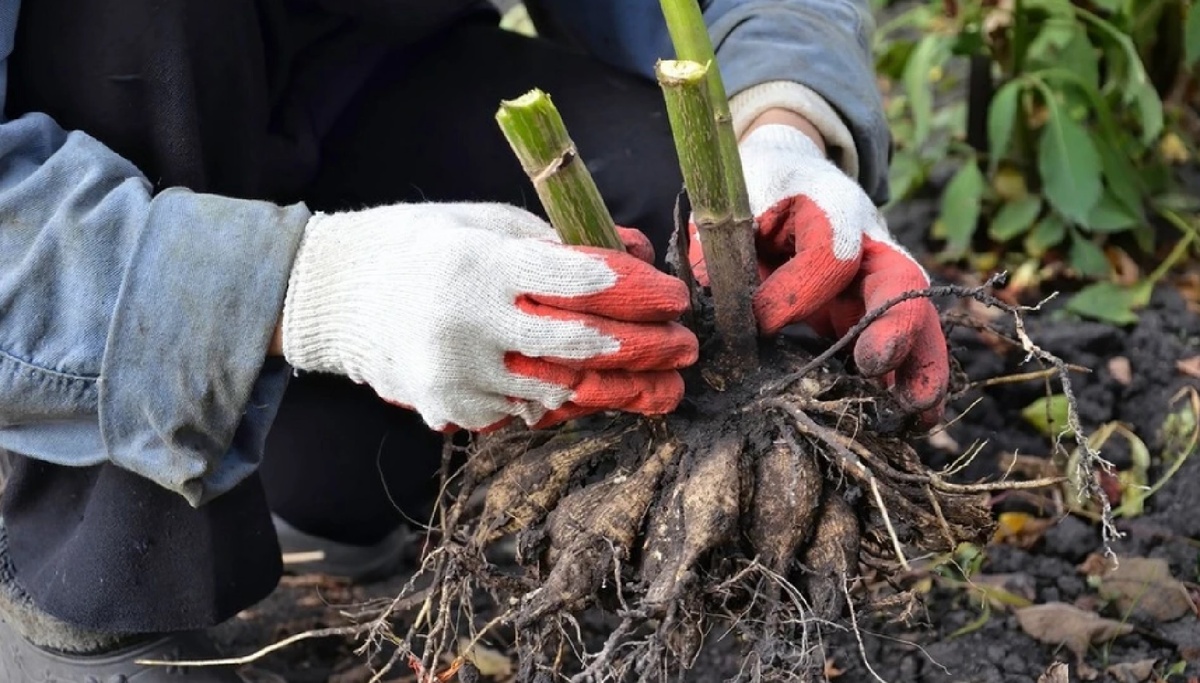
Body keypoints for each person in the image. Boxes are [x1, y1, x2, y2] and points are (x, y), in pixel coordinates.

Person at [0, 0, 949, 679]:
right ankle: (85, 582)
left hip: (352, 79)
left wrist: (785, 123)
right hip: (91, 165)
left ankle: (334, 467)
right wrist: (315, 288)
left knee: (678, 228)